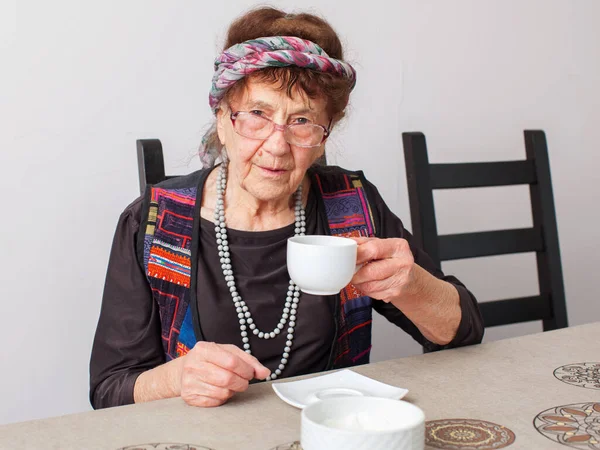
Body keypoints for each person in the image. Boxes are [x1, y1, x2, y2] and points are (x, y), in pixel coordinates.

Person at [90, 7, 484, 410]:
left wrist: (413, 285)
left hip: (328, 432)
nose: (277, 145)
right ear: (223, 122)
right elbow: (108, 390)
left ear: (324, 135)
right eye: (258, 115)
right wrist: (176, 378)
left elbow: (463, 331)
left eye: (301, 121)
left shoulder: (353, 205)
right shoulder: (151, 221)